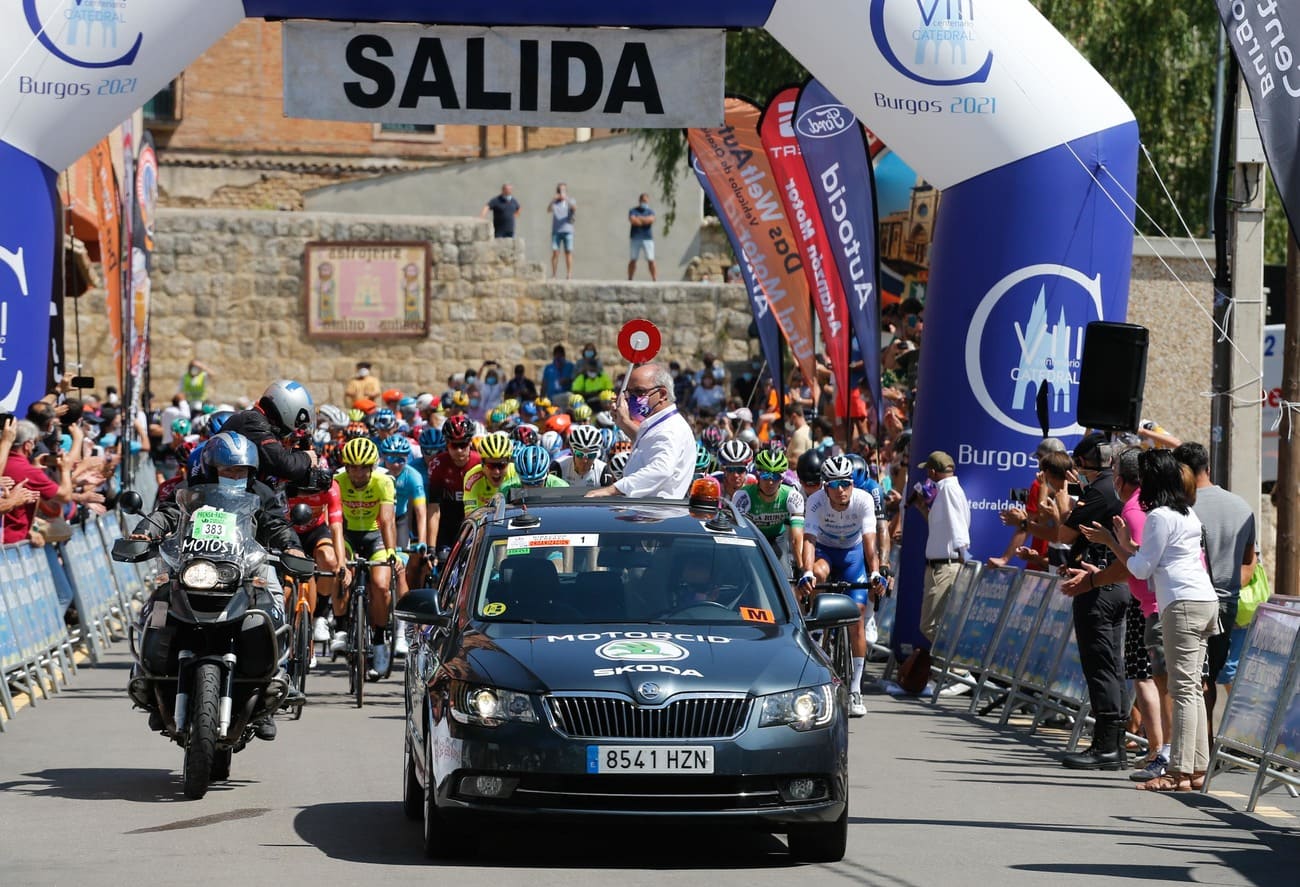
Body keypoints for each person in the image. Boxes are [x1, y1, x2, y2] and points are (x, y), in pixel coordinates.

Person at [131, 431, 306, 738]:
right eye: (228, 470)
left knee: (274, 606)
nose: (235, 476)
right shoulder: (193, 492)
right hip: (195, 567)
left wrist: (291, 547)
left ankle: (277, 680)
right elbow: (169, 514)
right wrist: (146, 531)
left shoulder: (262, 494)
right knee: (157, 605)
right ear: (213, 469)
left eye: (241, 471)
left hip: (250, 567)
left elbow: (277, 525)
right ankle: (149, 677)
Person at [1083, 448, 1219, 792]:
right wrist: (1125, 544)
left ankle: (1179, 771)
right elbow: (1146, 559)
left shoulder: (1159, 515)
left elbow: (1142, 570)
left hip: (1181, 603)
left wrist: (1115, 545)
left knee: (1182, 689)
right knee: (1192, 690)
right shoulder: (1186, 512)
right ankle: (1196, 768)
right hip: (1203, 599)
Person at [1062, 445, 1171, 782]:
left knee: (1108, 665)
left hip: (1138, 601)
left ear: (1122, 477)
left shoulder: (1137, 509)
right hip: (1140, 599)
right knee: (1117, 667)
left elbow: (1134, 565)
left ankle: (1116, 746)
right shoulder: (1143, 506)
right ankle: (1119, 745)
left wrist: (1094, 577)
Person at [1051, 433, 1130, 771]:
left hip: (1097, 587)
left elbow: (1063, 534)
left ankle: (1106, 747)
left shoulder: (1100, 491)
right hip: (1114, 583)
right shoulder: (1109, 490)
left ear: (1082, 462)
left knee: (1100, 667)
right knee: (1112, 665)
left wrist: (1063, 497)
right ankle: (1115, 744)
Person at [1172, 441, 1256, 740]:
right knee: (1209, 677)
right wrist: (1230, 585)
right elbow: (1250, 561)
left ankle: (1194, 750)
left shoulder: (1179, 508)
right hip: (1225, 601)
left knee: (1188, 680)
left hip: (1187, 600)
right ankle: (1205, 744)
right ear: (1207, 467)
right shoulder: (1241, 506)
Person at [798, 455, 883, 718]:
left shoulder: (863, 499)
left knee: (856, 616)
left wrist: (876, 572)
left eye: (846, 483)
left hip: (852, 556)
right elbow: (809, 540)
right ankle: (817, 627)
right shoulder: (815, 502)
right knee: (819, 573)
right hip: (825, 551)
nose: (842, 490)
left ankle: (856, 687)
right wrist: (807, 572)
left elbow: (870, 542)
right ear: (825, 486)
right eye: (835, 485)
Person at [333, 436, 399, 680]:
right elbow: (335, 522)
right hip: (348, 534)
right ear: (346, 467)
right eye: (352, 467)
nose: (358, 473)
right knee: (339, 572)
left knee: (381, 585)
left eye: (363, 468)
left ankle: (380, 640)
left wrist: (391, 550)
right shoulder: (337, 482)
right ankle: (340, 629)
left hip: (375, 536)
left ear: (372, 467)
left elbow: (387, 520)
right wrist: (341, 560)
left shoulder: (384, 482)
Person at [587, 363, 695, 499]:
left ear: (662, 394)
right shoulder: (662, 423)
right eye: (629, 392)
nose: (631, 398)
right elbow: (648, 444)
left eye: (639, 392)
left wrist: (613, 490)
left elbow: (661, 469)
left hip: (654, 514)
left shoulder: (669, 430)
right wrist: (624, 422)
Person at [911, 450, 970, 643]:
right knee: (937, 624)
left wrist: (963, 552)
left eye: (928, 470)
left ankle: (958, 670)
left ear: (933, 472)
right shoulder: (948, 489)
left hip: (945, 567)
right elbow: (943, 526)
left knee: (929, 625)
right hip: (941, 566)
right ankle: (951, 668)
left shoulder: (948, 490)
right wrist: (922, 508)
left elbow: (957, 522)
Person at [221, 380, 321, 487]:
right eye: (300, 421)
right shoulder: (253, 422)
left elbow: (267, 481)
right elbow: (282, 465)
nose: (299, 428)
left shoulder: (263, 424)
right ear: (288, 408)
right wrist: (306, 457)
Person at [732, 447, 805, 575]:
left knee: (786, 578)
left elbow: (796, 538)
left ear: (783, 477)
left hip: (777, 538)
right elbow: (738, 533)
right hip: (752, 538)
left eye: (776, 476)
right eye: (766, 475)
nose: (771, 482)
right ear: (758, 474)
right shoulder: (743, 496)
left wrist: (802, 569)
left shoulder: (792, 496)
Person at [1, 420, 72, 545]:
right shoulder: (25, 469)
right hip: (12, 542)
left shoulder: (11, 464)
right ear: (27, 445)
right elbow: (65, 496)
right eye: (34, 443)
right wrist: (65, 470)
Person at [424, 415, 480, 554]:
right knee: (442, 560)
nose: (459, 450)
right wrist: (430, 547)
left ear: (470, 443)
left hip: (475, 516)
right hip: (447, 519)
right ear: (446, 444)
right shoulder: (438, 465)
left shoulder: (480, 462)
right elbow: (433, 509)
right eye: (454, 445)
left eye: (463, 444)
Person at [463, 432, 518, 511]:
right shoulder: (472, 478)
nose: (496, 472)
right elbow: (470, 516)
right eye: (491, 466)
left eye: (501, 465)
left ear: (509, 463)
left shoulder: (517, 473)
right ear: (482, 464)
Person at [502, 444, 570, 491]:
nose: (532, 488)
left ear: (547, 473)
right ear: (519, 478)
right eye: (527, 483)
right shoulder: (506, 489)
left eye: (538, 483)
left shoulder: (561, 487)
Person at [548, 182, 576, 279]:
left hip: (568, 230)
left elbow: (574, 208)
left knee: (568, 252)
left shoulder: (570, 200)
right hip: (556, 231)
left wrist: (566, 199)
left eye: (563, 190)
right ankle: (554, 274)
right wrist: (553, 200)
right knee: (555, 252)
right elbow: (548, 210)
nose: (561, 192)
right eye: (560, 190)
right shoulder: (555, 202)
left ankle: (569, 274)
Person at [628, 193, 657, 281]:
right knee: (633, 259)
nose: (644, 202)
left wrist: (640, 218)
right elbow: (633, 221)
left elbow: (651, 220)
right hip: (635, 238)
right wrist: (644, 220)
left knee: (651, 259)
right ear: (639, 201)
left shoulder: (650, 211)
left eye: (646, 201)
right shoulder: (633, 210)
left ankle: (654, 278)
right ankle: (630, 278)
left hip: (647, 238)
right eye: (643, 200)